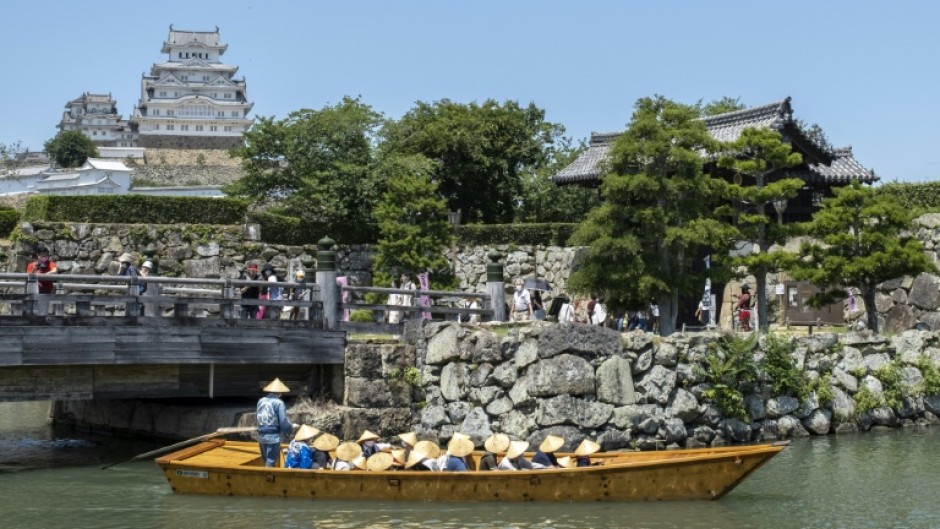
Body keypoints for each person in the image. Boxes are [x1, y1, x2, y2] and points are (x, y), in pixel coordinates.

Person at [256, 378, 297, 467]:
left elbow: (258, 417)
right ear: (280, 392)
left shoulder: (261, 401)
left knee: (265, 459)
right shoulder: (279, 403)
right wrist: (291, 426)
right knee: (271, 461)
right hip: (273, 436)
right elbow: (283, 421)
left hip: (261, 435)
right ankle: (268, 479)